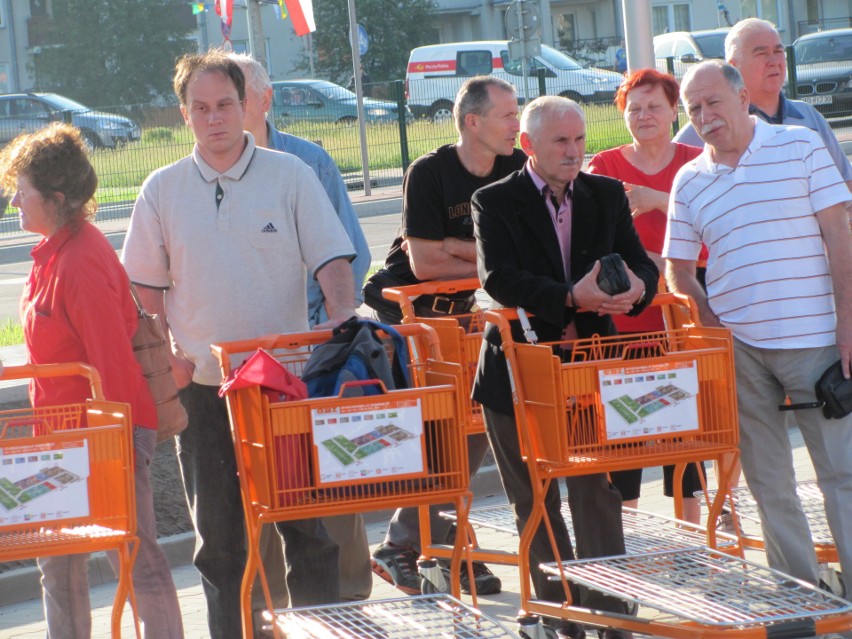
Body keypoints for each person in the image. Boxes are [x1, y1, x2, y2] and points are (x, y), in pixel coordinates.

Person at [122, 50, 357, 639]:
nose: (215, 118)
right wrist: (169, 358)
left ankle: (320, 630)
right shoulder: (161, 189)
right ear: (184, 115)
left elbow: (333, 263)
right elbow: (144, 293)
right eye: (200, 108)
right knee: (220, 544)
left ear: (245, 104)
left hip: (286, 384)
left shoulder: (291, 174)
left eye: (225, 104)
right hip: (204, 388)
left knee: (308, 532)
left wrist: (341, 327)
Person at [472, 95, 659, 638]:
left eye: (579, 139)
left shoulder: (604, 194)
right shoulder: (495, 201)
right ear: (529, 145)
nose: (573, 150)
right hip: (516, 373)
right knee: (533, 497)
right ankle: (556, 615)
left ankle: (612, 613)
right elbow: (498, 279)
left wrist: (639, 289)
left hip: (590, 368)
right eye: (560, 141)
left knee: (596, 492)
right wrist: (571, 298)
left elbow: (638, 259)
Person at [665, 59, 852, 587]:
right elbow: (676, 268)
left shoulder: (800, 146)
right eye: (694, 108)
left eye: (713, 102)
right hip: (740, 350)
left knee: (842, 475)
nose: (704, 116)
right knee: (768, 481)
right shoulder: (690, 179)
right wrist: (712, 324)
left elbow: (841, 238)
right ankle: (801, 591)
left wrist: (848, 324)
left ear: (742, 96)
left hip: (818, 340)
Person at [1, 122, 183, 638]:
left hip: (101, 438)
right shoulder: (55, 252)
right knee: (58, 564)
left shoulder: (77, 259)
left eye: (23, 190)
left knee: (135, 557)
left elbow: (110, 365)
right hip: (62, 438)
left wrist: (120, 449)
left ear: (56, 199)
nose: (14, 199)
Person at [368, 76, 527, 597]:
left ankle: (424, 540)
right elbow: (424, 260)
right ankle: (421, 544)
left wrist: (460, 249)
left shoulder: (515, 168)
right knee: (436, 430)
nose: (516, 124)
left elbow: (523, 250)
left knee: (477, 422)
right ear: (473, 122)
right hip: (410, 312)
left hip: (463, 313)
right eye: (507, 115)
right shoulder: (431, 172)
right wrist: (483, 251)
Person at [228, 51, 373, 605]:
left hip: (310, 353)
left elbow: (349, 257)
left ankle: (349, 603)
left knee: (328, 480)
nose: (223, 114)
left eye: (234, 99)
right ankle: (270, 611)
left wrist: (318, 330)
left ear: (261, 100)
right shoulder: (202, 175)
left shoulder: (309, 162)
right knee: (256, 490)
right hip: (243, 362)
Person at [587, 68, 705, 525]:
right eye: (633, 108)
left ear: (674, 111)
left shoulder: (698, 162)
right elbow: (594, 242)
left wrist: (657, 199)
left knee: (688, 430)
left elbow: (715, 243)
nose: (644, 115)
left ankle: (691, 531)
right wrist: (657, 265)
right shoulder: (606, 166)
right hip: (626, 318)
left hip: (684, 319)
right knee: (627, 425)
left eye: (654, 106)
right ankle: (632, 535)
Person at [674, 18, 852, 189]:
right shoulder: (705, 128)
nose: (774, 61)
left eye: (778, 51)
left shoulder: (808, 117)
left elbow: (845, 183)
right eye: (761, 53)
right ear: (733, 66)